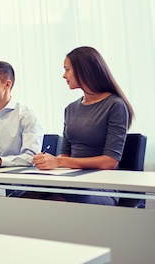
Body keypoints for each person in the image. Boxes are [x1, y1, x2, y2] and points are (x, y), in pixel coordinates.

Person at [32, 46, 133, 205]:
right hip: (72, 181)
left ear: (83, 71)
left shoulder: (115, 105)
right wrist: (47, 161)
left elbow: (109, 162)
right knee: (25, 195)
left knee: (54, 203)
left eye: (67, 70)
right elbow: (65, 154)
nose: (64, 75)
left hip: (100, 187)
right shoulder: (71, 109)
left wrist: (59, 162)